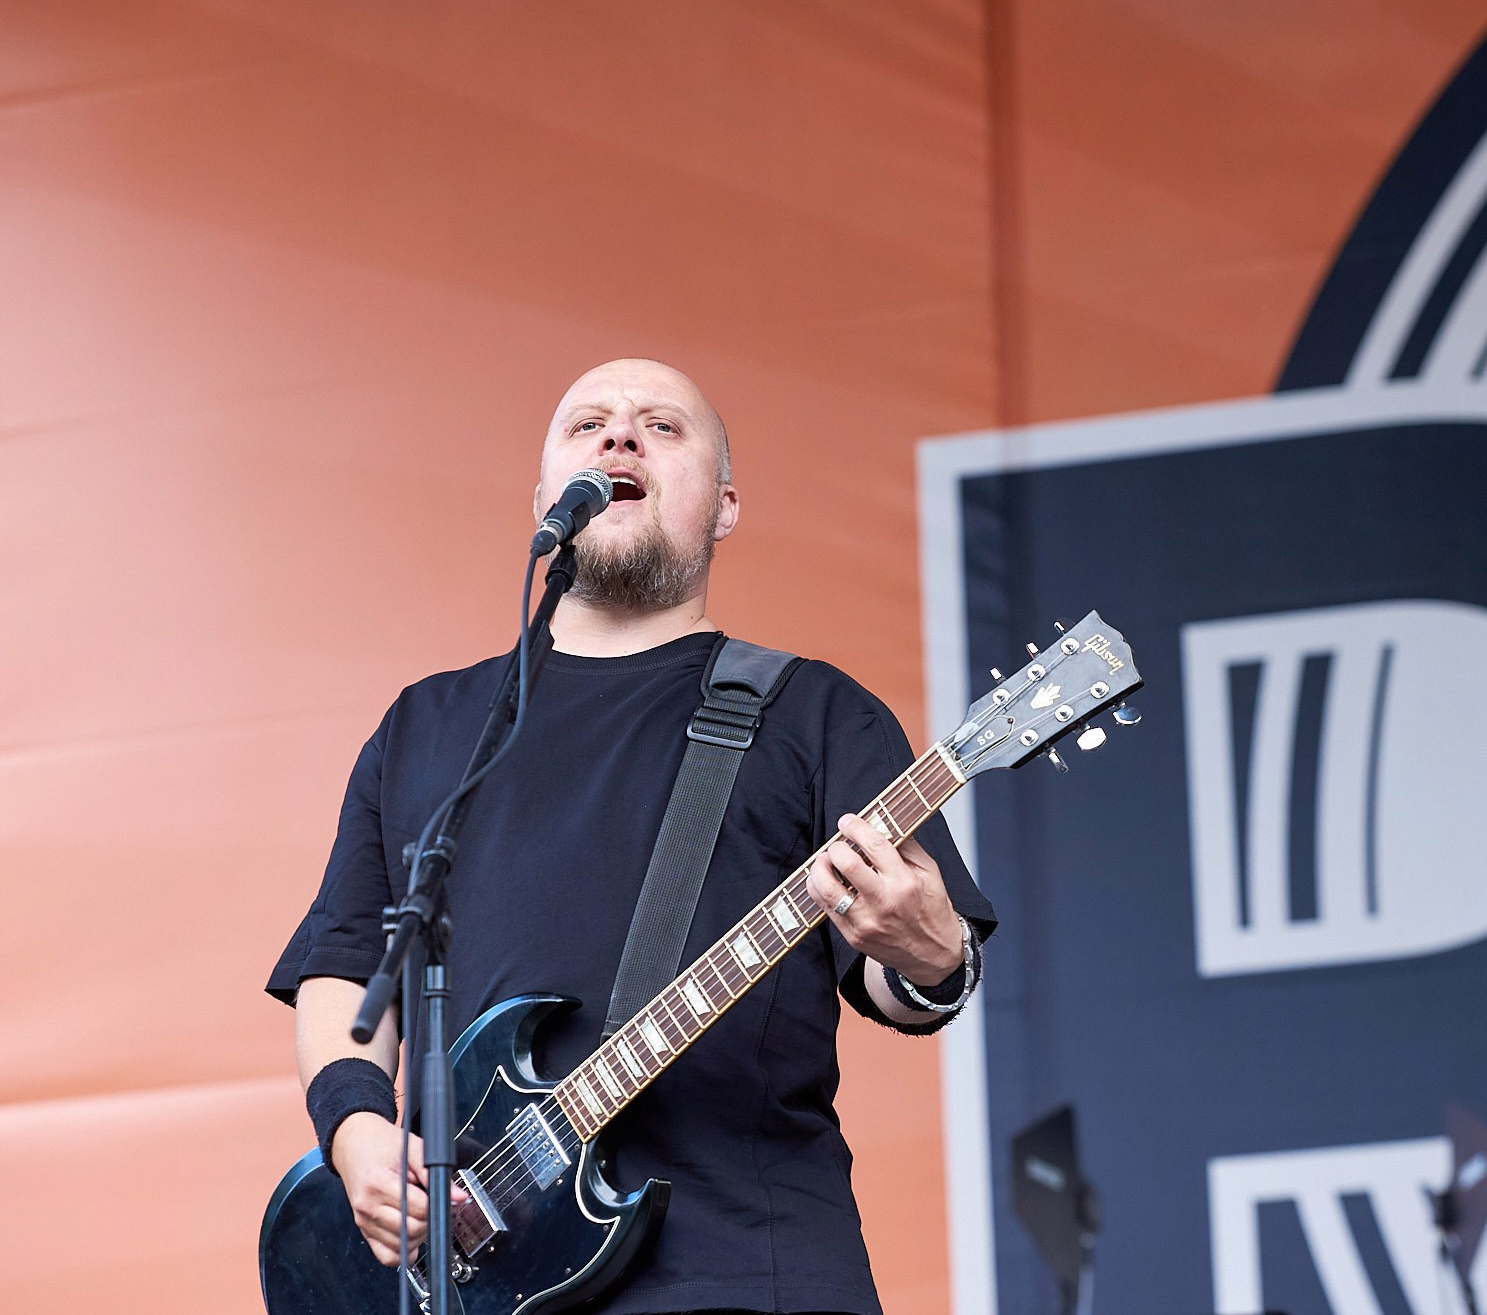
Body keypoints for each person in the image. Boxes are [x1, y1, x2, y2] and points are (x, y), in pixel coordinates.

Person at [267, 358, 994, 1315]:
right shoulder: (429, 725)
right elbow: (348, 961)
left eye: (661, 425)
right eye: (588, 425)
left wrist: (933, 953)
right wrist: (355, 1128)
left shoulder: (813, 713)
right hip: (474, 1279)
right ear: (544, 495)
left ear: (725, 505)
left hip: (746, 1272)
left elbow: (906, 985)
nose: (619, 437)